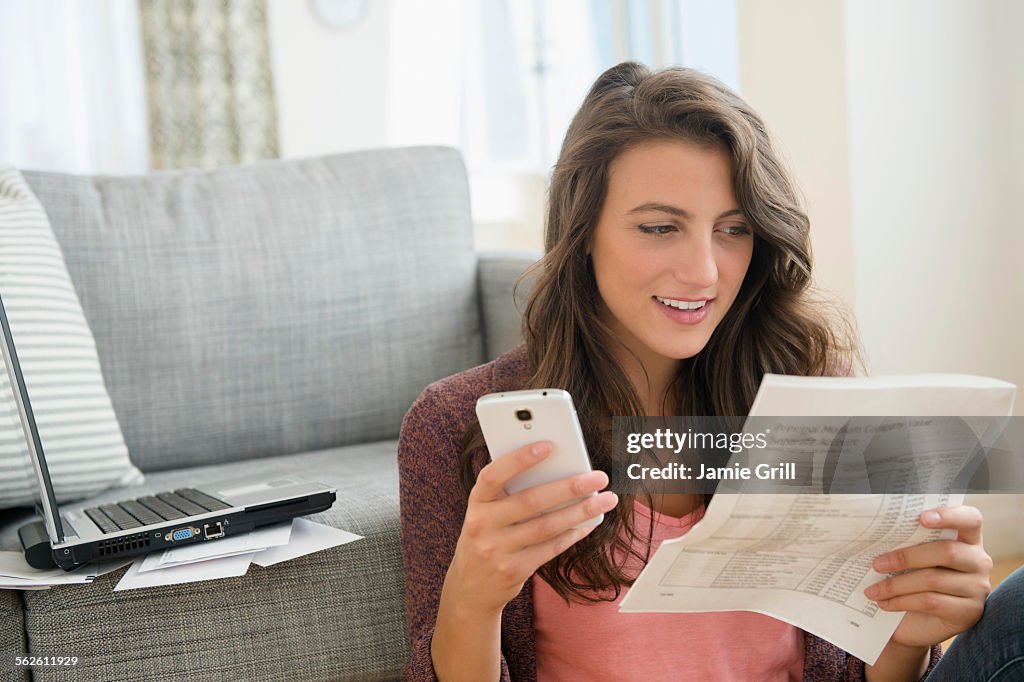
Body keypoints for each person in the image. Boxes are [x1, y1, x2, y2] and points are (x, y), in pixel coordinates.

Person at [398, 61, 1019, 681]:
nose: (703, 272)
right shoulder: (455, 423)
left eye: (733, 230)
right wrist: (473, 597)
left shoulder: (815, 386)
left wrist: (906, 635)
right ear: (582, 230)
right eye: (660, 227)